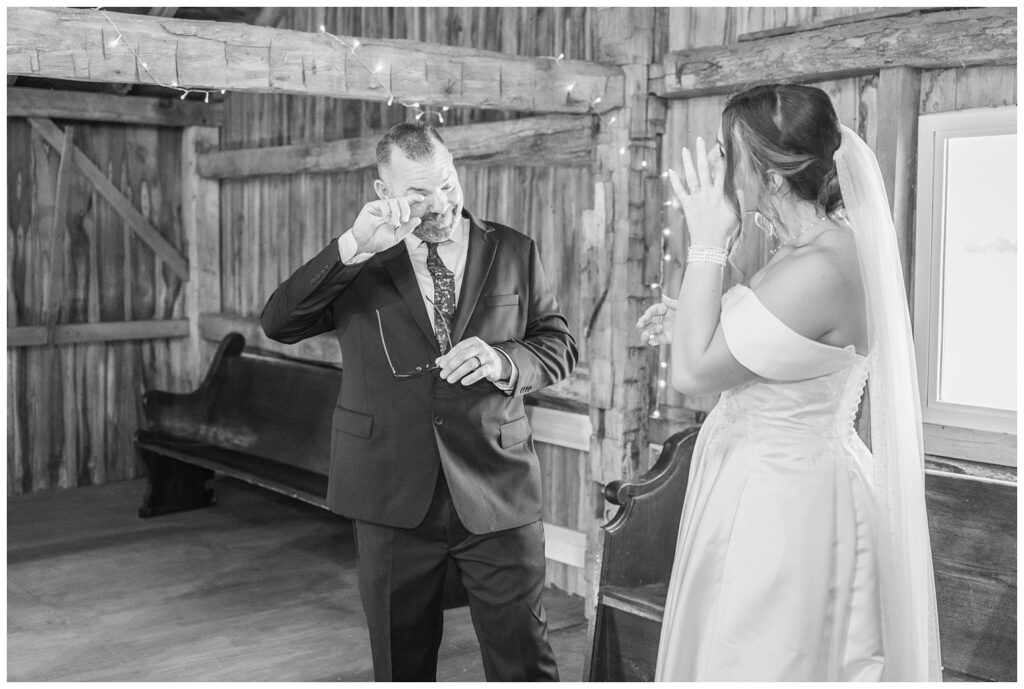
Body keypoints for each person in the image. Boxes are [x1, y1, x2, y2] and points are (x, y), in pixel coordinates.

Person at [637, 84, 941, 681]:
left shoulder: (819, 265)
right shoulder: (815, 245)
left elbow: (695, 373)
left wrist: (704, 241)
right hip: (772, 476)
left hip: (779, 499)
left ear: (770, 175)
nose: (722, 174)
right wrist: (697, 320)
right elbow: (774, 349)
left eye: (730, 157)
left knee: (759, 656)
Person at [261, 122, 577, 681]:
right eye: (420, 194)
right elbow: (279, 323)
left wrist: (504, 360)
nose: (442, 204)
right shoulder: (358, 263)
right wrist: (353, 248)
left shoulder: (512, 249)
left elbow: (557, 344)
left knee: (525, 659)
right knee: (400, 662)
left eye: (449, 185)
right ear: (385, 194)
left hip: (496, 484)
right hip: (389, 489)